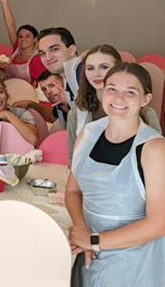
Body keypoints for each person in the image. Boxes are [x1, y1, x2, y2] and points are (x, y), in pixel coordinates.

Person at [66, 62, 165, 287]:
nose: (118, 98)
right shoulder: (88, 134)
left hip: (135, 265)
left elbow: (159, 223)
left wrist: (95, 241)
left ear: (145, 100)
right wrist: (81, 228)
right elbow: (73, 190)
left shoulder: (154, 149)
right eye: (112, 89)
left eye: (130, 92)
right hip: (89, 255)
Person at [67, 45, 161, 164]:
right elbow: (73, 160)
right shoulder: (76, 112)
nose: (96, 74)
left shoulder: (147, 112)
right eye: (90, 68)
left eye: (104, 67)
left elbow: (157, 157)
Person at [0, 0, 47, 84]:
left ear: (35, 39)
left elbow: (42, 83)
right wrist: (4, 2)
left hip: (26, 95)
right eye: (20, 36)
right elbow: (10, 26)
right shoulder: (16, 49)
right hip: (8, 91)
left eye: (28, 36)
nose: (23, 39)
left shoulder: (37, 58)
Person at [37, 27, 82, 107]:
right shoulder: (68, 78)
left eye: (54, 49)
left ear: (71, 50)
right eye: (42, 54)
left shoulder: (84, 73)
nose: (48, 58)